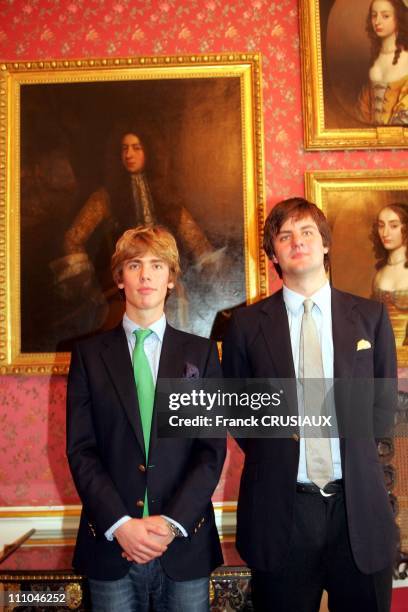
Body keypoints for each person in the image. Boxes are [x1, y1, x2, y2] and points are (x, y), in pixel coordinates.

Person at [222, 197, 398, 612]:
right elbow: (239, 413)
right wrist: (280, 451)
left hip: (357, 510)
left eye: (307, 233)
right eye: (285, 236)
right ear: (273, 254)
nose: (297, 242)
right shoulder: (245, 326)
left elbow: (382, 404)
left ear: (324, 245)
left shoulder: (370, 317)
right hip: (281, 511)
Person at [66, 225, 226, 612]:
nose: (146, 275)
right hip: (111, 545)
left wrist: (170, 524)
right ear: (119, 277)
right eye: (134, 265)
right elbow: (81, 451)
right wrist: (122, 524)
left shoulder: (200, 355)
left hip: (185, 543)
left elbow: (209, 452)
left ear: (171, 278)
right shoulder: (89, 356)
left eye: (157, 265)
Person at [51, 130, 226, 341]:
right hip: (120, 296)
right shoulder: (106, 197)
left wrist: (215, 280)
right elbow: (72, 239)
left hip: (168, 295)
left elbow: (197, 242)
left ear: (149, 153)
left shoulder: (165, 196)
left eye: (136, 147)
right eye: (124, 149)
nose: (129, 154)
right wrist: (91, 286)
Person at [358, 0, 408, 125]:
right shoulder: (375, 58)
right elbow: (363, 109)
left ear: (399, 18)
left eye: (385, 16)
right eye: (374, 15)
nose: (377, 22)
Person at [371, 202, 408, 346]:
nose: (385, 233)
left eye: (393, 226)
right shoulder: (379, 275)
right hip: (384, 353)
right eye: (381, 225)